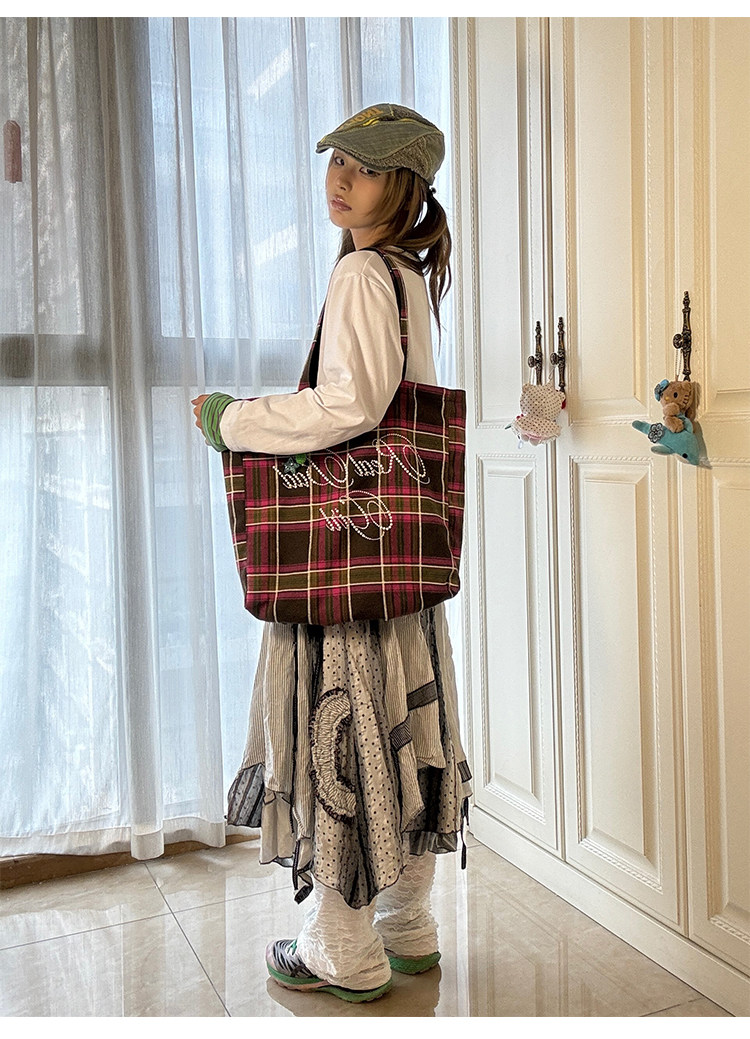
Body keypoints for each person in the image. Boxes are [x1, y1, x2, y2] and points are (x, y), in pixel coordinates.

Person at [192, 103, 471, 1004]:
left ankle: (341, 947)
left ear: (405, 185)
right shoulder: (406, 274)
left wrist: (233, 419)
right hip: (400, 561)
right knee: (404, 726)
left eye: (366, 166)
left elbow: (348, 405)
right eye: (337, 160)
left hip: (347, 565)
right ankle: (407, 923)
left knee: (342, 736)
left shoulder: (360, 273)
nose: (340, 178)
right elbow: (388, 404)